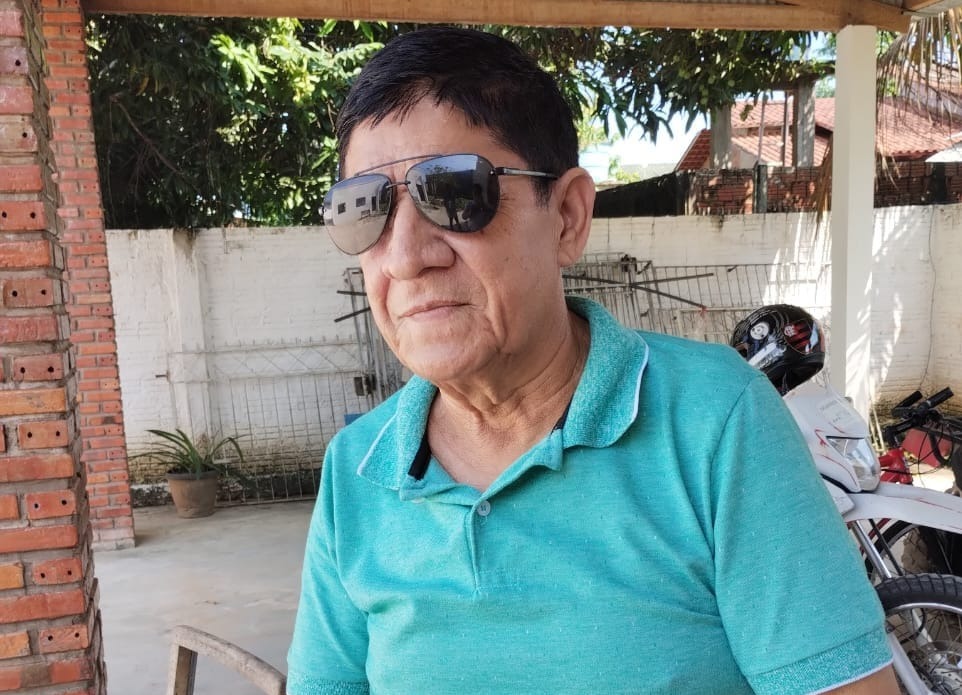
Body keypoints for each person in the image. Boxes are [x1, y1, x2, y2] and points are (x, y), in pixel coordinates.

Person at [290, 26, 899, 695]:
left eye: (456, 192)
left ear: (569, 217)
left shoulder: (716, 423)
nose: (406, 257)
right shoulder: (357, 469)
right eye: (364, 208)